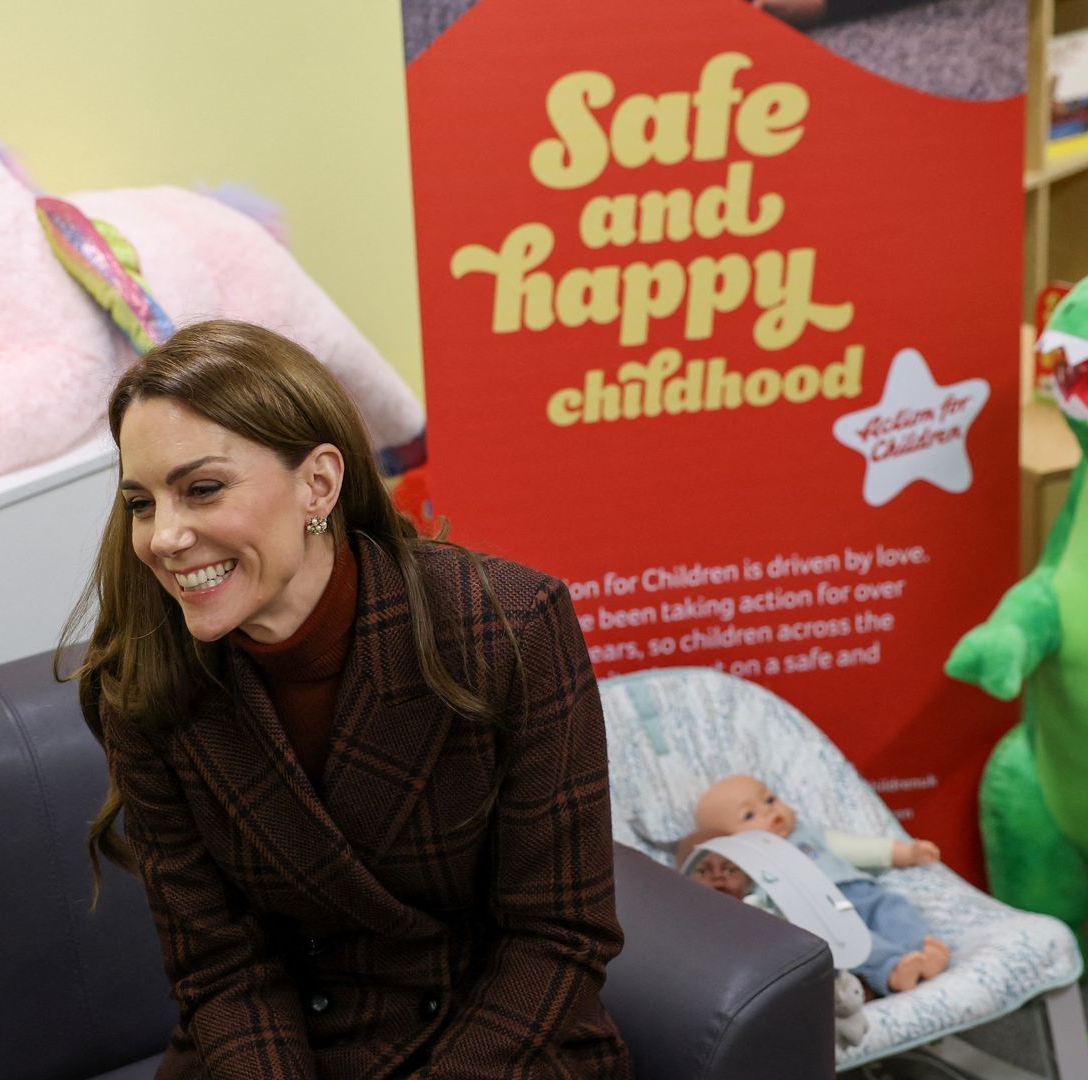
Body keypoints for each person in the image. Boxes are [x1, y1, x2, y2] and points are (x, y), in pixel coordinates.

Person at [59, 319, 630, 1078]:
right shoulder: (142, 682)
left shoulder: (509, 628)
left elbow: (558, 937)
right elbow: (220, 969)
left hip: (489, 1045)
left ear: (318, 485)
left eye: (202, 490)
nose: (164, 537)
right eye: (142, 502)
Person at [682, 774, 950, 994]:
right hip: (821, 914)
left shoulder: (808, 835)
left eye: (770, 799)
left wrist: (906, 852)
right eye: (749, 816)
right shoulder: (751, 866)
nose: (770, 811)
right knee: (854, 942)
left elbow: (858, 848)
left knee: (893, 908)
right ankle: (893, 969)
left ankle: (922, 950)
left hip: (858, 890)